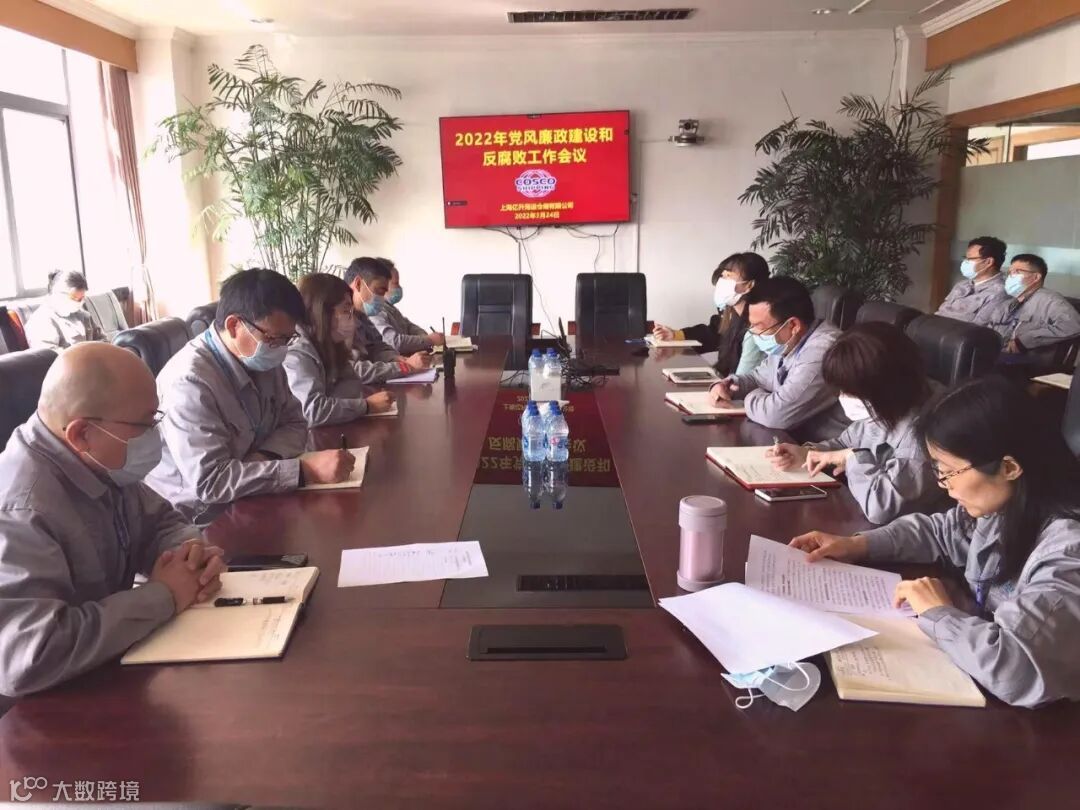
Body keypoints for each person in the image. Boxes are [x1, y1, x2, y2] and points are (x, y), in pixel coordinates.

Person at [791, 376, 1080, 708]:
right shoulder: (1005, 508)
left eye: (948, 472)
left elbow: (1016, 669)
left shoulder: (1068, 553)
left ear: (1009, 467)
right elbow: (940, 531)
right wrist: (857, 545)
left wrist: (937, 613)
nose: (944, 486)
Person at [0, 343, 226, 697]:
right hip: (41, 710)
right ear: (81, 434)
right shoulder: (22, 508)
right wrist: (164, 595)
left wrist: (190, 555)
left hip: (107, 670)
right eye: (145, 424)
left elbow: (161, 521)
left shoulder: (97, 459)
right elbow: (29, 656)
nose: (155, 435)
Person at [146, 268, 354, 526]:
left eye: (288, 338)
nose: (281, 348)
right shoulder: (189, 384)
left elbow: (296, 422)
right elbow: (212, 483)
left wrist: (260, 460)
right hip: (205, 520)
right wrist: (304, 471)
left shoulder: (263, 357)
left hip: (256, 492)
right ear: (234, 326)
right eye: (274, 339)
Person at [768, 322, 945, 524]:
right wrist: (808, 453)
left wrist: (852, 458)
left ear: (885, 385)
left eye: (850, 392)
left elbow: (879, 507)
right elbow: (845, 443)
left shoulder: (925, 434)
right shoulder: (887, 405)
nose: (844, 398)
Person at [708, 277, 847, 442]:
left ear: (793, 325)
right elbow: (758, 378)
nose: (753, 333)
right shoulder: (789, 341)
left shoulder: (823, 351)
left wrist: (749, 397)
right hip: (791, 442)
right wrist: (728, 386)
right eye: (751, 325)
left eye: (759, 326)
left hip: (828, 450)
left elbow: (776, 415)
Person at [285, 273, 395, 426]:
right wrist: (367, 406)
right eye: (346, 311)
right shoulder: (297, 352)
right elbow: (313, 411)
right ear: (322, 312)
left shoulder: (329, 344)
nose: (352, 319)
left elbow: (352, 387)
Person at [652, 252, 770, 376]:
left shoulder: (758, 326)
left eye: (728, 276)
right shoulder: (731, 314)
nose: (722, 281)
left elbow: (743, 379)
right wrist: (676, 335)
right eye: (723, 275)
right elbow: (712, 333)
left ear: (749, 285)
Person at [343, 258, 431, 383]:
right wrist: (404, 367)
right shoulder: (336, 318)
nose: (382, 298)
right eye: (379, 291)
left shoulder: (361, 314)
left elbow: (377, 347)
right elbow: (352, 370)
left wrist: (397, 359)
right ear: (358, 284)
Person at [984, 253, 1080, 356]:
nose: (1010, 277)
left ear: (1036, 277)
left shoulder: (1050, 301)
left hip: (1024, 360)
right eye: (1010, 272)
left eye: (1017, 272)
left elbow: (1074, 326)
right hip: (994, 354)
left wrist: (1024, 341)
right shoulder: (1009, 303)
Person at [369, 257, 445, 354]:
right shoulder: (374, 312)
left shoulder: (390, 308)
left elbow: (409, 326)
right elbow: (394, 342)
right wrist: (429, 340)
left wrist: (425, 338)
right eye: (396, 283)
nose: (399, 287)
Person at [935, 236, 1010, 325]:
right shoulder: (961, 285)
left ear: (988, 262)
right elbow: (941, 312)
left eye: (969, 259)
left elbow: (978, 327)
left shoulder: (1000, 293)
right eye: (965, 258)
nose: (965, 262)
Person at [24, 269, 105, 351]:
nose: (79, 303)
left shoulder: (83, 315)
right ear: (58, 294)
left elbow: (102, 340)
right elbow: (48, 354)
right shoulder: (41, 320)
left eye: (82, 298)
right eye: (75, 298)